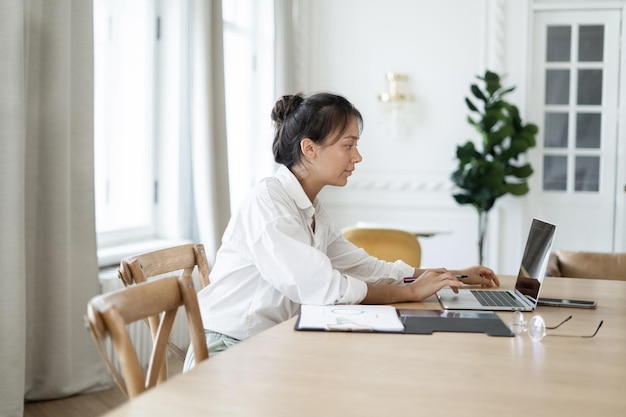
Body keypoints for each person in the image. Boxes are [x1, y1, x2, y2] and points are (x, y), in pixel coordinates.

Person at [183, 92, 499, 371]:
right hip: (227, 351)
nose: (357, 157)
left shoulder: (312, 209)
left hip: (268, 345)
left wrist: (448, 275)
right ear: (309, 148)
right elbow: (323, 288)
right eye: (348, 145)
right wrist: (406, 293)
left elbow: (367, 269)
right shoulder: (268, 201)